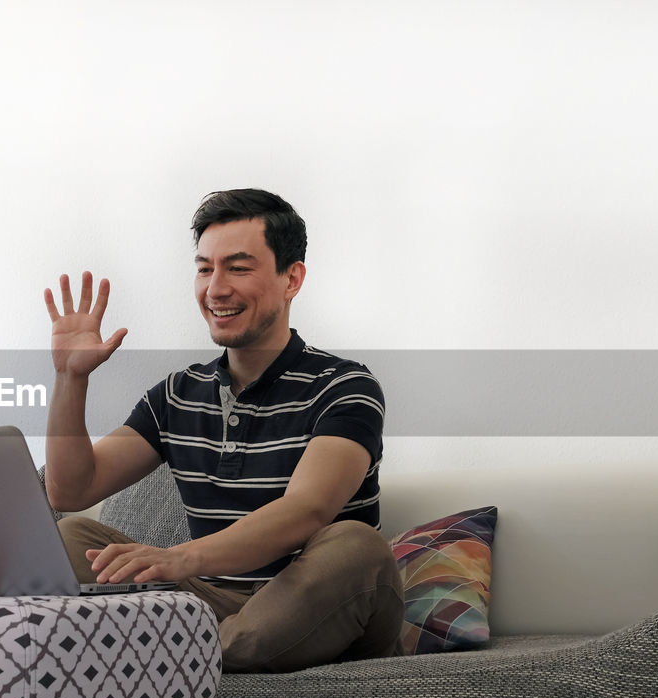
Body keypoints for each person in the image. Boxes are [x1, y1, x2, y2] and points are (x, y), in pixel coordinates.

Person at [41, 188, 404, 673]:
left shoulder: (344, 386)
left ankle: (165, 658)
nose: (215, 289)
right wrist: (70, 379)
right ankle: (203, 655)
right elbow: (71, 488)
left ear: (291, 278)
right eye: (205, 268)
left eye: (238, 268)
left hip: (312, 603)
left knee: (356, 547)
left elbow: (306, 510)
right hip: (210, 602)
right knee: (71, 537)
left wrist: (180, 558)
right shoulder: (177, 394)